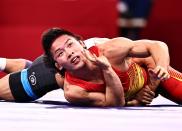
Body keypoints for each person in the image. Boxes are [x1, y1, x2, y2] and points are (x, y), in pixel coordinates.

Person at [41, 27, 177, 107]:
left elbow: (157, 45)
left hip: (154, 74)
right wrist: (107, 70)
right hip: (134, 92)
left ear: (82, 44)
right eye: (60, 53)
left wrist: (161, 69)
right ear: (58, 64)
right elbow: (115, 104)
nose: (69, 53)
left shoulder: (110, 50)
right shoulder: (74, 91)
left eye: (70, 44)